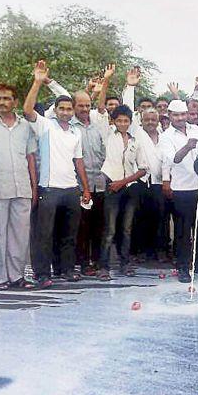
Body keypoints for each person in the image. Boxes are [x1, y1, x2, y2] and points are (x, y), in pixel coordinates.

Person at [23, 60, 91, 288]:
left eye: (69, 108)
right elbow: (27, 109)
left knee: (69, 234)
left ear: (72, 112)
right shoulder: (44, 126)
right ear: (55, 110)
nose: (65, 112)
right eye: (61, 108)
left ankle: (66, 269)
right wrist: (38, 81)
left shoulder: (75, 132)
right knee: (44, 234)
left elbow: (78, 161)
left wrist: (86, 188)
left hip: (71, 189)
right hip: (49, 189)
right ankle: (42, 273)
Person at [0, 83, 38, 290]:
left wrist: (33, 187)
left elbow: (30, 157)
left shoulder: (25, 126)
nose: (2, 102)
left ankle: (16, 276)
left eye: (6, 98)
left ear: (15, 102)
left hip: (22, 188)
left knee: (20, 235)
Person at [160, 99, 198, 282]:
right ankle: (183, 266)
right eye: (176, 115)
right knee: (183, 230)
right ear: (169, 116)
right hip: (182, 189)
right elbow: (174, 160)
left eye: (183, 114)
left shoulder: (196, 130)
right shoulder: (166, 137)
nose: (180, 118)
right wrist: (187, 146)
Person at [70, 66, 113, 278]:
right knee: (82, 228)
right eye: (81, 105)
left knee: (98, 226)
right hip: (80, 186)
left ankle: (96, 262)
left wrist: (104, 83)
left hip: (100, 184)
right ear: (73, 106)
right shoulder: (69, 127)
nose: (85, 109)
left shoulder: (96, 125)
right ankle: (82, 263)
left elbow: (101, 106)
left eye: (88, 105)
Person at [97, 104, 148, 280]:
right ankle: (103, 267)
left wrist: (124, 182)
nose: (123, 124)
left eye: (126, 121)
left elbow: (143, 169)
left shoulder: (135, 141)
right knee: (109, 229)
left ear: (130, 122)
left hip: (129, 187)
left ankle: (124, 264)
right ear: (114, 121)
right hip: (112, 187)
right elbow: (101, 110)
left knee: (126, 229)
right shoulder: (108, 136)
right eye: (119, 120)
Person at [134, 107, 169, 262]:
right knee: (142, 216)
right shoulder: (137, 134)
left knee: (161, 217)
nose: (150, 122)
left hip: (161, 182)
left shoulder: (164, 136)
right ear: (141, 121)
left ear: (158, 121)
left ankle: (161, 250)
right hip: (143, 181)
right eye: (146, 119)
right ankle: (142, 250)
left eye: (153, 120)